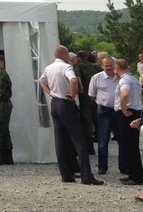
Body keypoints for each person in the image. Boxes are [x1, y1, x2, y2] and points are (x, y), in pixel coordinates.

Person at [39, 45, 103, 185]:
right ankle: (86, 175)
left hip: (55, 103)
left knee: (60, 140)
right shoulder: (66, 67)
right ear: (64, 54)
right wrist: (73, 95)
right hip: (66, 103)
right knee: (79, 140)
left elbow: (41, 81)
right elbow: (73, 80)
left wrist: (50, 92)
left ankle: (66, 175)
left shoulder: (49, 68)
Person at [114, 58, 143, 186]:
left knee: (129, 145)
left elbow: (125, 93)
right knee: (132, 145)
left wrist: (123, 108)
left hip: (127, 114)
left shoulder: (124, 80)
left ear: (117, 69)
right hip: (135, 112)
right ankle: (134, 173)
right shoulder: (134, 79)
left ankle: (136, 176)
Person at [88, 55, 117, 175]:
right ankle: (102, 167)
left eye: (111, 65)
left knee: (122, 140)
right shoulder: (96, 78)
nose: (109, 68)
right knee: (103, 141)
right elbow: (92, 94)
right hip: (104, 111)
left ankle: (124, 167)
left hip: (118, 111)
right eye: (106, 66)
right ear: (102, 66)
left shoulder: (119, 77)